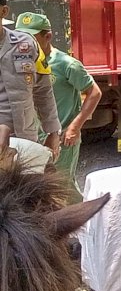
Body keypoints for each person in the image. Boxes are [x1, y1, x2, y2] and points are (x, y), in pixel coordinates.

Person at [15, 12, 102, 203]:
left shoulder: (66, 64)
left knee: (62, 185)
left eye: (31, 37)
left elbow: (94, 93)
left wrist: (75, 126)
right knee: (38, 184)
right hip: (34, 137)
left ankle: (80, 223)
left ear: (47, 37)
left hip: (63, 139)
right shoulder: (21, 63)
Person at [0, 0, 61, 157]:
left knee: (32, 183)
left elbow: (44, 91)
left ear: (4, 11)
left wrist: (53, 133)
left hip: (25, 140)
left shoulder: (26, 45)